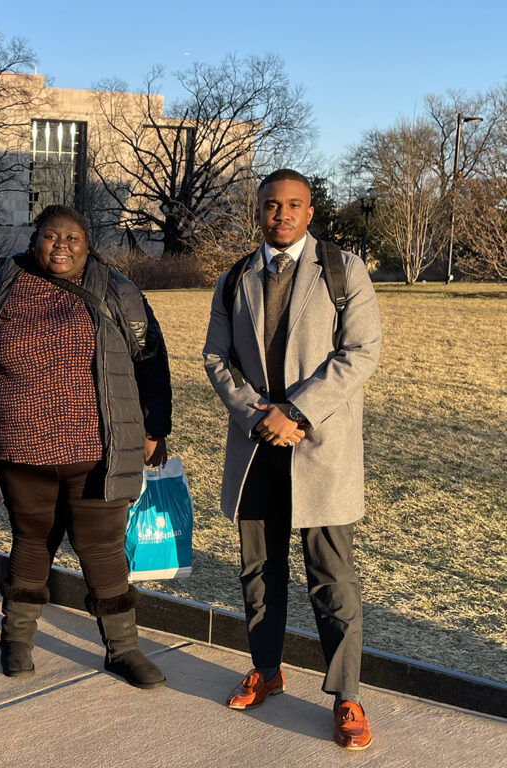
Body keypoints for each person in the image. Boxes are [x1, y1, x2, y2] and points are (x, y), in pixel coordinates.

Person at [0, 204, 172, 689]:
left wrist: (155, 425)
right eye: (52, 236)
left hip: (96, 449)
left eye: (73, 237)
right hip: (18, 450)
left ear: (88, 243)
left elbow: (151, 358)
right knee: (30, 543)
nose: (62, 246)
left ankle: (123, 649)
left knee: (103, 549)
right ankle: (16, 640)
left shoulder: (118, 291)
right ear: (35, 240)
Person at [202, 169, 381, 750]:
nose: (282, 214)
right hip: (257, 448)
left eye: (294, 205)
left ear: (310, 211)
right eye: (272, 205)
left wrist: (296, 412)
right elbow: (215, 357)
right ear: (258, 210)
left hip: (318, 447)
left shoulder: (343, 268)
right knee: (258, 569)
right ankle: (267, 667)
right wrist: (256, 413)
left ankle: (347, 695)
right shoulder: (235, 278)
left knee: (331, 577)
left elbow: (360, 353)